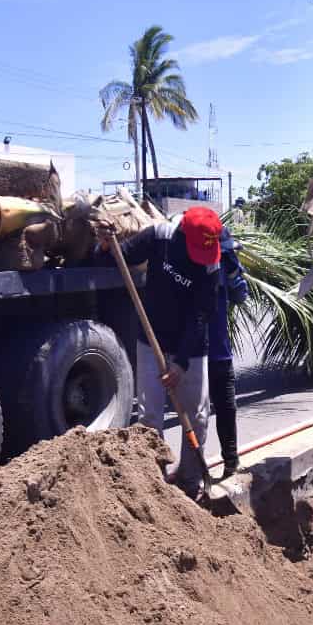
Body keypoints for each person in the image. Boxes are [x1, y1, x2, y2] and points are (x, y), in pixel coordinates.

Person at [96, 206, 222, 498]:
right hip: (151, 340)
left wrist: (180, 362)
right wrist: (105, 244)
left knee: (197, 415)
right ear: (183, 235)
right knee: (150, 416)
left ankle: (190, 479)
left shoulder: (210, 265)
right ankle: (154, 482)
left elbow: (201, 314)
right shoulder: (160, 237)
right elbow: (118, 257)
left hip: (190, 348)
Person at [208, 225, 249, 476]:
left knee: (223, 407)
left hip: (215, 351)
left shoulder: (226, 262)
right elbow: (240, 295)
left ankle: (230, 461)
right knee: (214, 409)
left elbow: (240, 294)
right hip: (201, 352)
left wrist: (234, 271)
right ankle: (197, 469)